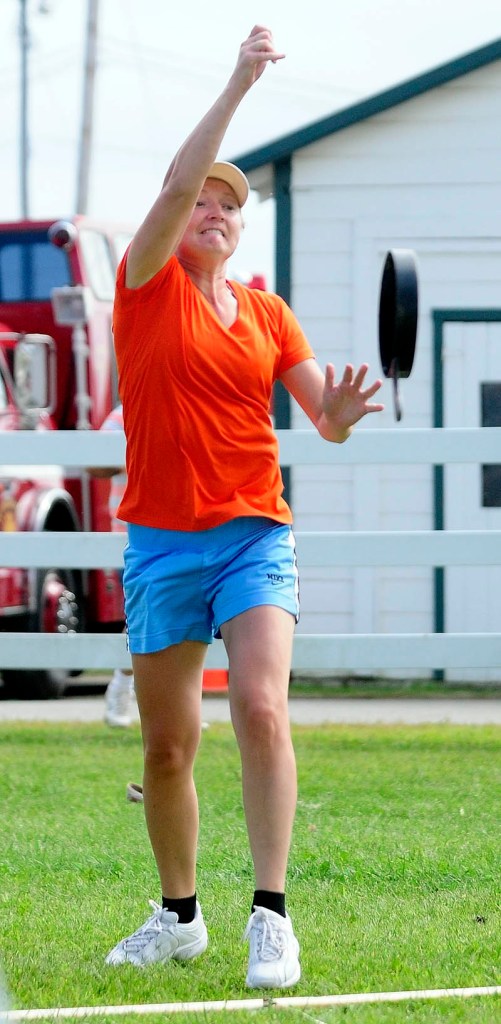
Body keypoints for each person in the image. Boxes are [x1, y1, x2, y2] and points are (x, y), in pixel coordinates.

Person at [105, 25, 384, 989]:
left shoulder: (267, 314)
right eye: (199, 203)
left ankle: (270, 915)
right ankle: (180, 917)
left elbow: (323, 419)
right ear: (175, 221)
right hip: (160, 546)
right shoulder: (142, 290)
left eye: (229, 204)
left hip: (253, 537)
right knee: (168, 746)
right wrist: (237, 83)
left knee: (263, 708)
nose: (210, 211)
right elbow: (179, 181)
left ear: (242, 227)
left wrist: (338, 415)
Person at [87, 404, 135, 727]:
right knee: (141, 620)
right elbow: (94, 463)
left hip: (184, 534)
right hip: (130, 535)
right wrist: (143, 456)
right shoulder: (122, 415)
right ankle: (120, 688)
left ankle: (123, 689)